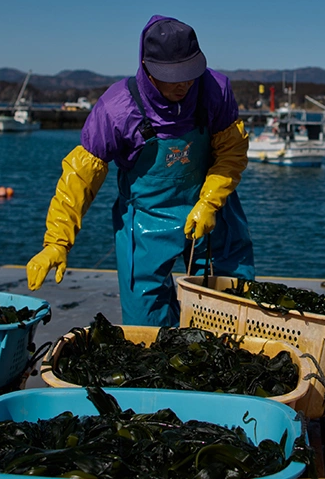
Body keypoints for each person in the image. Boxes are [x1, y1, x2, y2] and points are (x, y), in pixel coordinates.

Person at [25, 16, 255, 326]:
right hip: (147, 221)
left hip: (212, 212)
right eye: (172, 76)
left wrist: (210, 202)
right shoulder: (116, 109)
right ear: (146, 67)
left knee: (229, 309)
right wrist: (57, 241)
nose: (184, 84)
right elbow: (80, 178)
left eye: (189, 73)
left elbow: (231, 151)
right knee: (146, 320)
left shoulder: (215, 90)